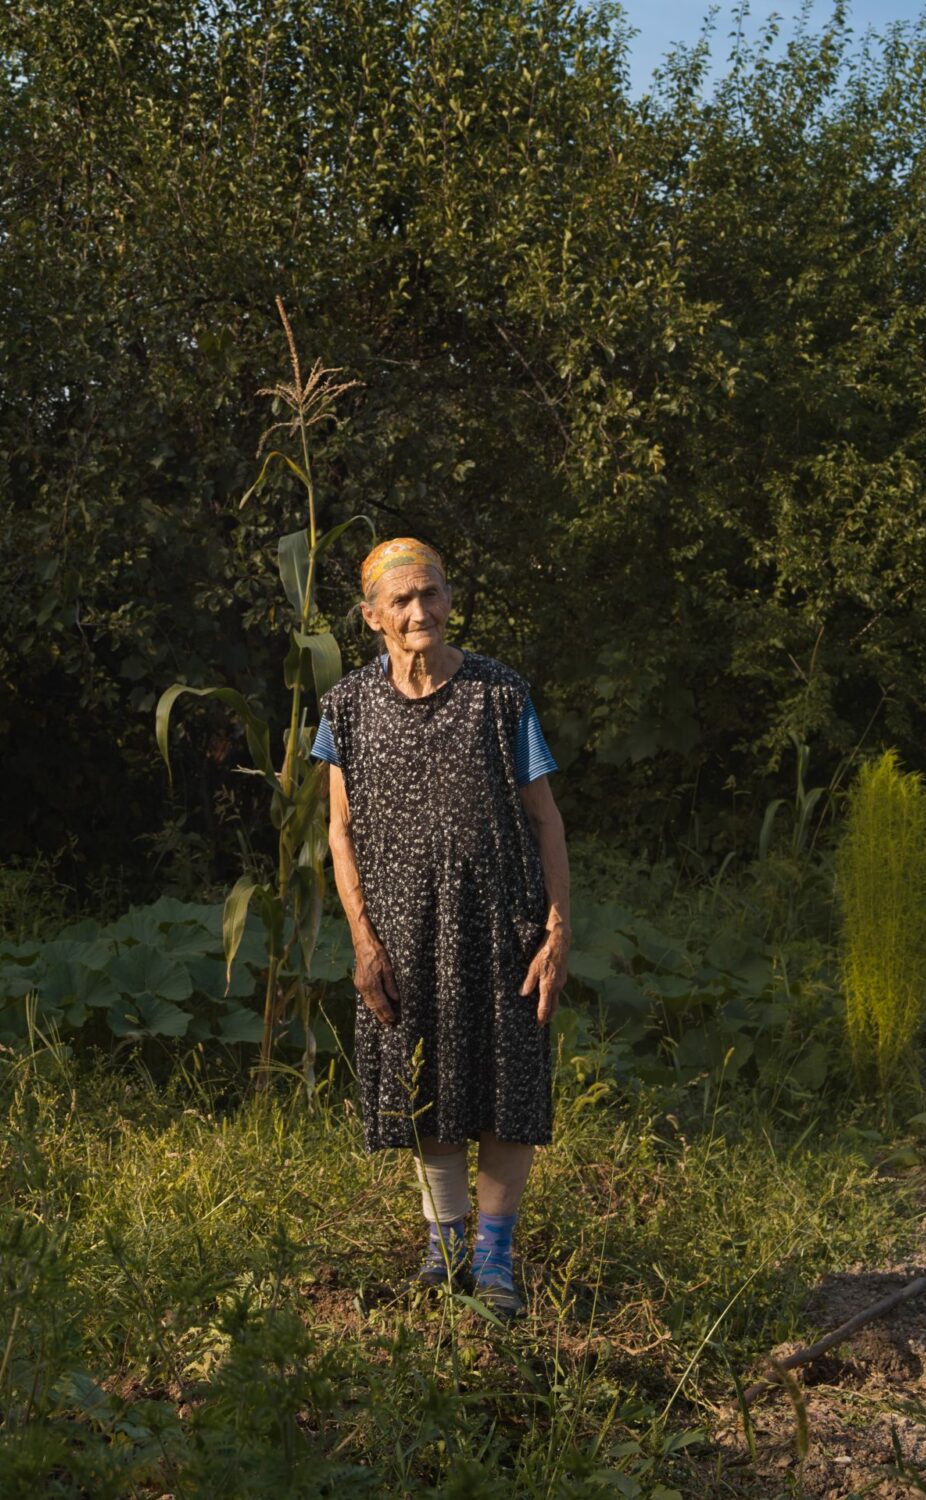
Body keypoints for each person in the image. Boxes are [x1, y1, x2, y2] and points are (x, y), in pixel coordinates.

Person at [310, 537, 572, 1319]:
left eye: (431, 595)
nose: (419, 611)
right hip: (402, 933)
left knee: (503, 1088)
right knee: (426, 1084)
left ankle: (493, 1261)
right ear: (370, 618)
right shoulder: (346, 708)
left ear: (450, 600)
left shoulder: (499, 695)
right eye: (401, 601)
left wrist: (557, 929)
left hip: (502, 926)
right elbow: (339, 832)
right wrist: (362, 938)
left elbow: (547, 821)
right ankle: (444, 1246)